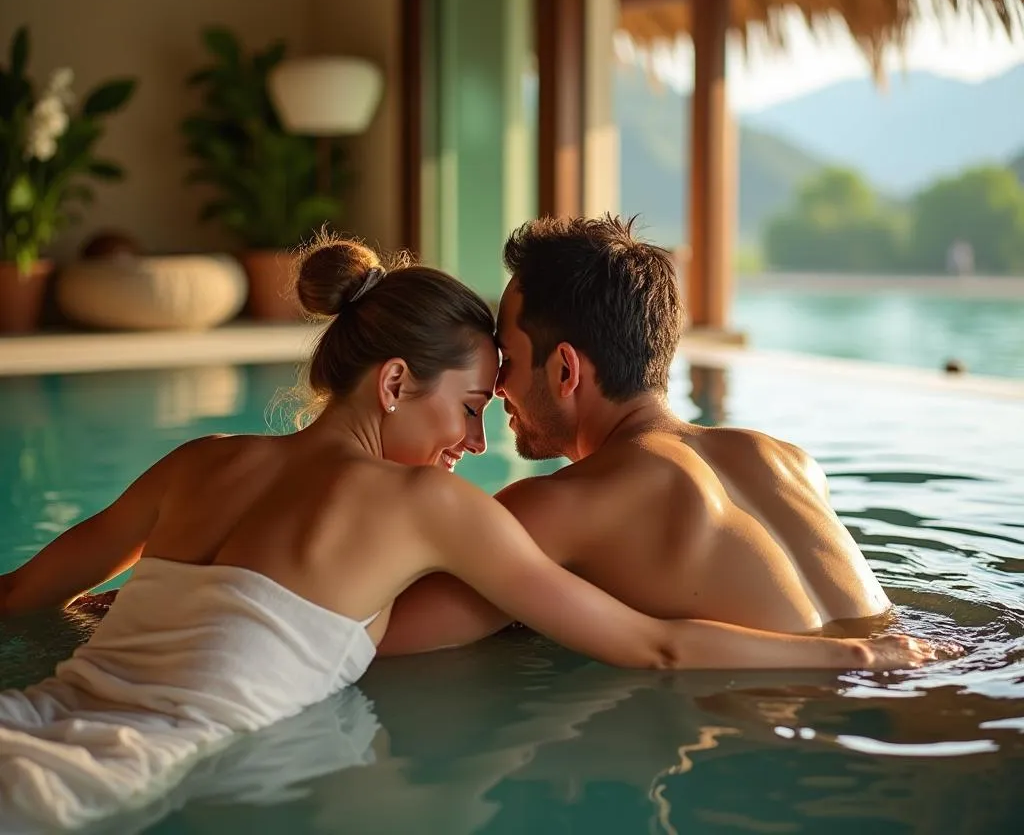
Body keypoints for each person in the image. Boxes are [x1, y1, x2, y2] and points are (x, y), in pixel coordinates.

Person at [0, 235, 937, 830]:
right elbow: (653, 645)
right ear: (398, 384)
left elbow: (23, 597)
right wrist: (867, 660)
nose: (481, 437)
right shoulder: (781, 457)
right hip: (869, 719)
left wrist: (125, 611)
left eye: (506, 381)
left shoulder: (200, 459)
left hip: (45, 712)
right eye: (475, 402)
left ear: (565, 369)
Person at [380, 216, 908, 655]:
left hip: (776, 731)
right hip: (915, 671)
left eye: (509, 361)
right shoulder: (789, 461)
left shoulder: (564, 505)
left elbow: (377, 641)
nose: (496, 388)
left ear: (566, 371)